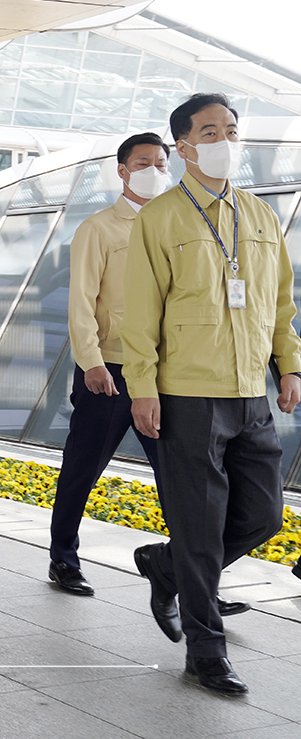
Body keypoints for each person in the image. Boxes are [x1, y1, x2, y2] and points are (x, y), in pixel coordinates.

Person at [122, 93, 301, 696]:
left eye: (230, 128)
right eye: (209, 131)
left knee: (264, 514)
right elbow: (139, 315)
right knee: (201, 529)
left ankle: (164, 565)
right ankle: (207, 653)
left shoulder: (258, 214)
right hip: (186, 394)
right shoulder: (160, 218)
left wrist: (289, 366)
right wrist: (141, 389)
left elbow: (279, 303)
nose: (224, 139)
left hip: (251, 390)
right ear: (184, 146)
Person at [49, 133, 170, 597]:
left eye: (161, 163)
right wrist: (92, 362)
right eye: (144, 162)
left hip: (162, 372)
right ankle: (64, 558)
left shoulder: (173, 226)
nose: (154, 170)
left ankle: (188, 571)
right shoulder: (98, 228)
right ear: (122, 170)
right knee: (83, 465)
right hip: (111, 371)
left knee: (176, 475)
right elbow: (80, 302)